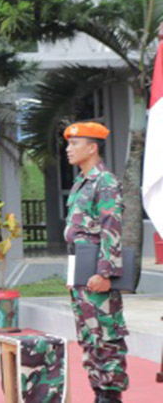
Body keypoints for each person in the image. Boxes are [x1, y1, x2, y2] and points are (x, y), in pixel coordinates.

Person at [63, 121, 128, 402]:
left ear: (92, 147)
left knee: (106, 334)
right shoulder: (82, 182)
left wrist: (106, 272)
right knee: (89, 335)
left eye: (74, 144)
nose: (68, 149)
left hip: (97, 269)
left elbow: (111, 228)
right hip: (80, 266)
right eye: (68, 144)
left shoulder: (105, 182)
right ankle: (99, 391)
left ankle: (111, 396)